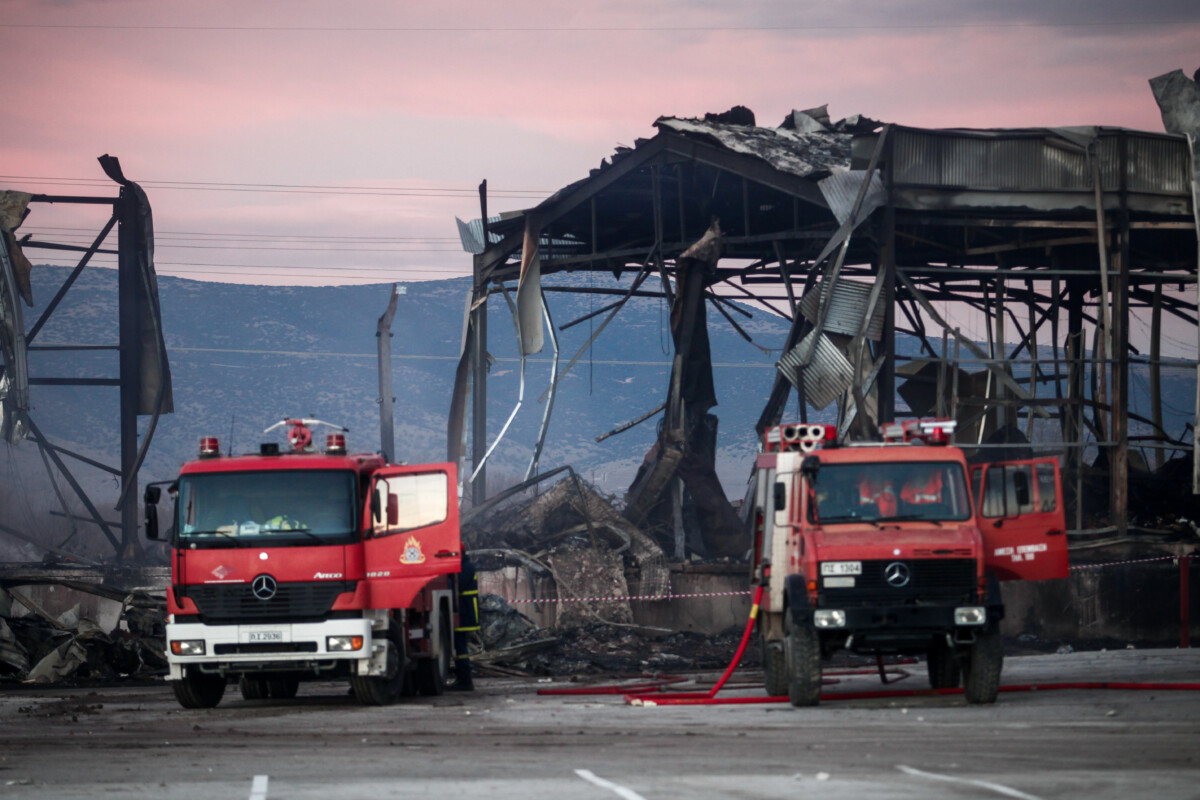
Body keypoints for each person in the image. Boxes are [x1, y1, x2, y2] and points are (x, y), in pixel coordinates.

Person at [450, 552, 479, 691]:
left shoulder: (466, 567)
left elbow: (458, 585)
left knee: (460, 647)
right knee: (459, 646)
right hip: (463, 611)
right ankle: (462, 679)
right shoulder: (466, 565)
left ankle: (465, 680)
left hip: (465, 612)